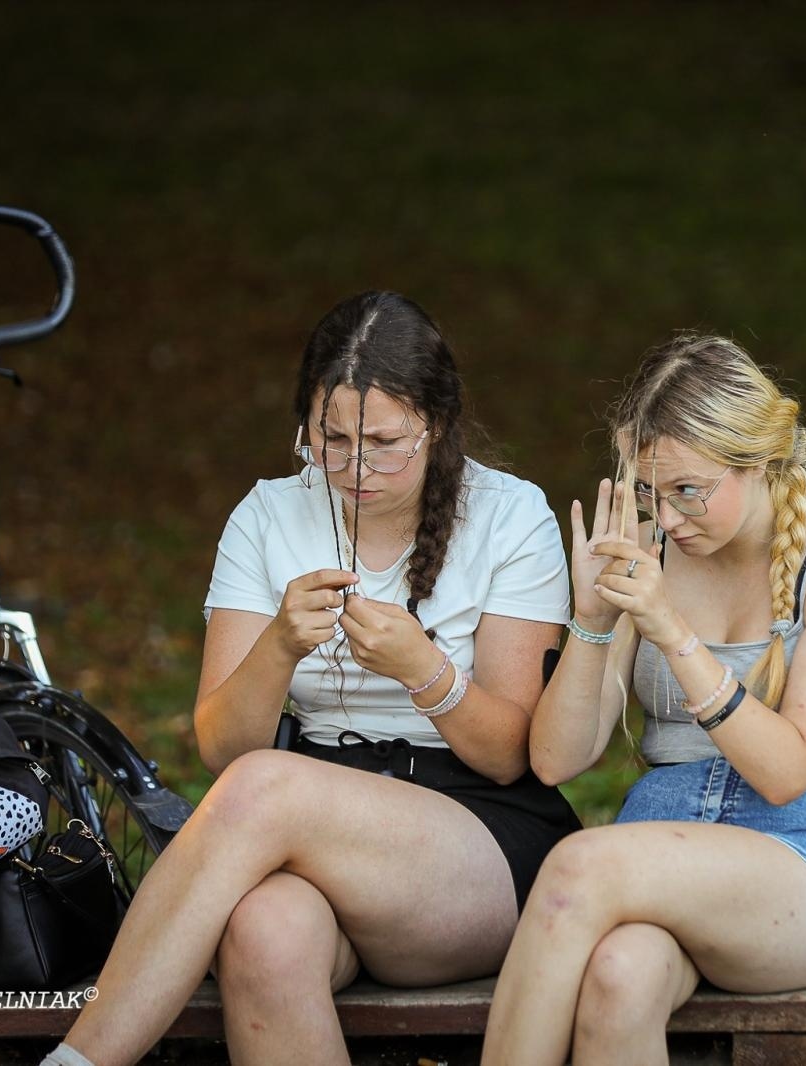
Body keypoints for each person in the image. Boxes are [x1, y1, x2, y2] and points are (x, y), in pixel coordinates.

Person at [42, 291, 579, 1066]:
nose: (355, 468)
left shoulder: (511, 515)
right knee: (264, 934)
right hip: (305, 829)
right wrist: (278, 647)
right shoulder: (266, 516)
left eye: (384, 443)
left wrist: (425, 671)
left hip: (475, 839)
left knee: (267, 786)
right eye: (332, 440)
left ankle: (79, 1060)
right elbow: (223, 750)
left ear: (437, 425)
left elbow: (508, 755)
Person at [481, 334, 806, 1065]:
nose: (668, 519)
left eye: (687, 490)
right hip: (661, 842)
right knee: (620, 976)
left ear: (757, 462)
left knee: (578, 866)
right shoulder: (648, 554)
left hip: (805, 853)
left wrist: (671, 630)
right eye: (649, 494)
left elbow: (786, 771)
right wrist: (593, 619)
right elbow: (555, 760)